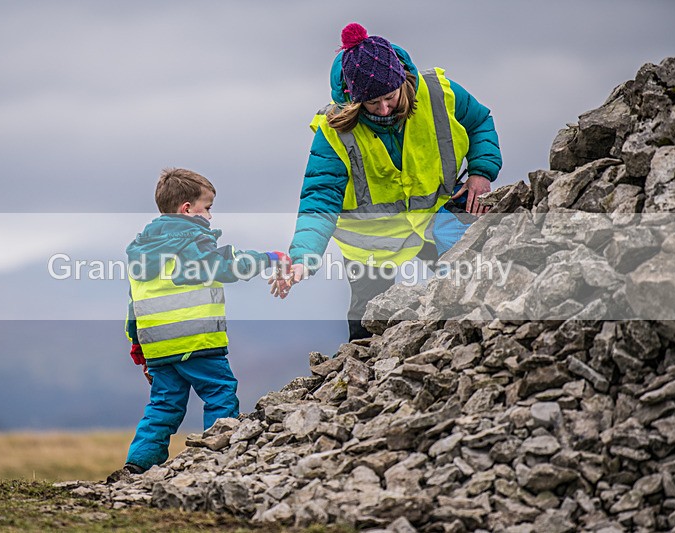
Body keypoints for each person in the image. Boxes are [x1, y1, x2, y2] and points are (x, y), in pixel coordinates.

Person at [271, 23, 502, 341]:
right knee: (366, 326)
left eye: (389, 97)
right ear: (354, 99)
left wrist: (481, 172)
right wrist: (303, 258)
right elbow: (319, 197)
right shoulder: (335, 132)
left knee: (464, 288)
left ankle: (469, 341)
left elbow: (479, 122)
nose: (383, 109)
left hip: (435, 218)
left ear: (401, 81)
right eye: (371, 103)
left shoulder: (437, 92)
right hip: (369, 244)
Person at [109, 168, 289, 481]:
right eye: (207, 208)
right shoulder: (190, 241)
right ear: (187, 210)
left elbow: (134, 305)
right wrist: (269, 258)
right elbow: (227, 265)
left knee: (163, 407)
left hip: (159, 348)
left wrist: (139, 350)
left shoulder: (142, 252)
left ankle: (137, 465)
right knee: (220, 392)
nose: (210, 216)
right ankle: (217, 458)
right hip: (198, 342)